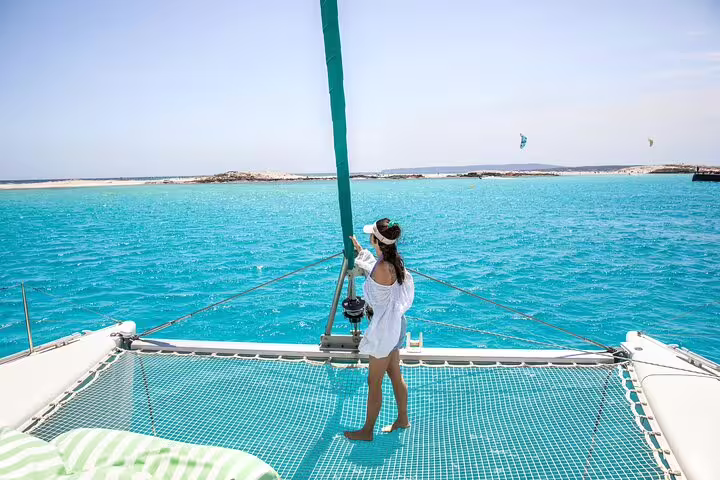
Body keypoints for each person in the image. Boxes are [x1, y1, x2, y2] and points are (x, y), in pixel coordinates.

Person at [344, 218, 415, 441]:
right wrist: (362, 251)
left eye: (371, 236)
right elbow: (376, 268)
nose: (369, 238)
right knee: (395, 373)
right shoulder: (395, 261)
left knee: (374, 382)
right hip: (397, 324)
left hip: (385, 329)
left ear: (376, 240)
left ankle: (367, 431)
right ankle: (402, 419)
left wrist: (362, 258)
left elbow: (374, 279)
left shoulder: (383, 267)